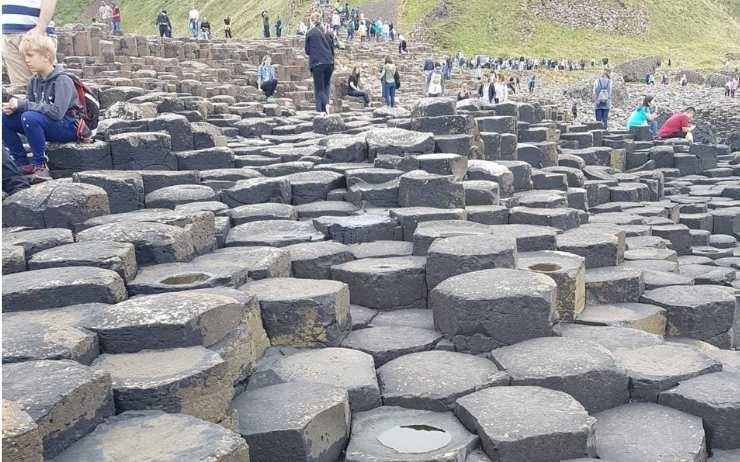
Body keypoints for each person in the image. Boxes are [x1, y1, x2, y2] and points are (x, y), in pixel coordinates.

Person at [2, 34, 82, 180]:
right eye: (25, 56)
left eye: (30, 55)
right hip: (48, 124)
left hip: (68, 126)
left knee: (29, 117)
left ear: (46, 56)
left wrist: (23, 104)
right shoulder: (34, 81)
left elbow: (57, 113)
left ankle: (41, 165)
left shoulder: (63, 80)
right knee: (5, 118)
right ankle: (22, 163)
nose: (26, 60)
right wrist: (15, 108)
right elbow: (31, 106)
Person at [2, 0, 58, 87]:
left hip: (34, 31)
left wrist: (40, 29)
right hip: (8, 34)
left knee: (48, 83)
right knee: (20, 87)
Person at [305, 12, 335, 113]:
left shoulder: (310, 33)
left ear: (312, 21)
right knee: (326, 86)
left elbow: (307, 50)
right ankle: (321, 110)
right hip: (329, 63)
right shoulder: (327, 32)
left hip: (317, 63)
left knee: (319, 88)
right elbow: (332, 48)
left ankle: (326, 105)